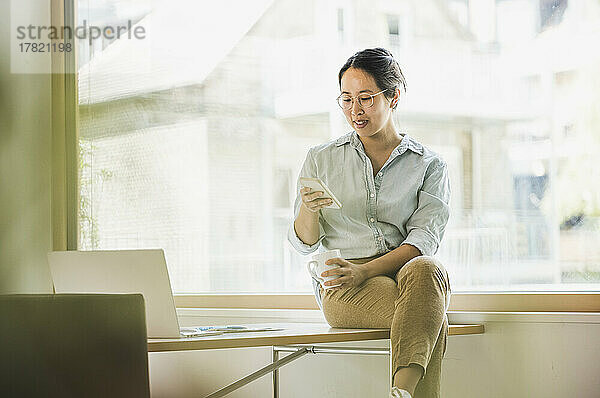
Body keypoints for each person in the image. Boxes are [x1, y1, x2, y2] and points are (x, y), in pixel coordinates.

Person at [287, 48, 451, 398]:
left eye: (365, 98)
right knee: (430, 317)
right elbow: (304, 242)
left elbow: (423, 240)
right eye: (346, 99)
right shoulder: (321, 158)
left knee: (428, 268)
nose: (354, 111)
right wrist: (308, 210)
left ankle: (399, 393)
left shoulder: (429, 165)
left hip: (405, 272)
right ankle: (404, 393)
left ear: (394, 97)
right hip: (345, 282)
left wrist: (370, 270)